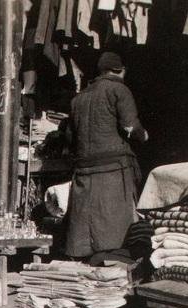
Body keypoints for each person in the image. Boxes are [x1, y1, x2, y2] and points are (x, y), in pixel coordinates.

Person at [66, 52, 148, 259]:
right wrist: (143, 135)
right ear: (121, 70)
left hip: (84, 170)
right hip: (113, 168)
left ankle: (87, 260)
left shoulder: (78, 99)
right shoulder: (119, 90)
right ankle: (113, 262)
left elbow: (70, 137)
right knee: (115, 228)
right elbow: (129, 125)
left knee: (85, 225)